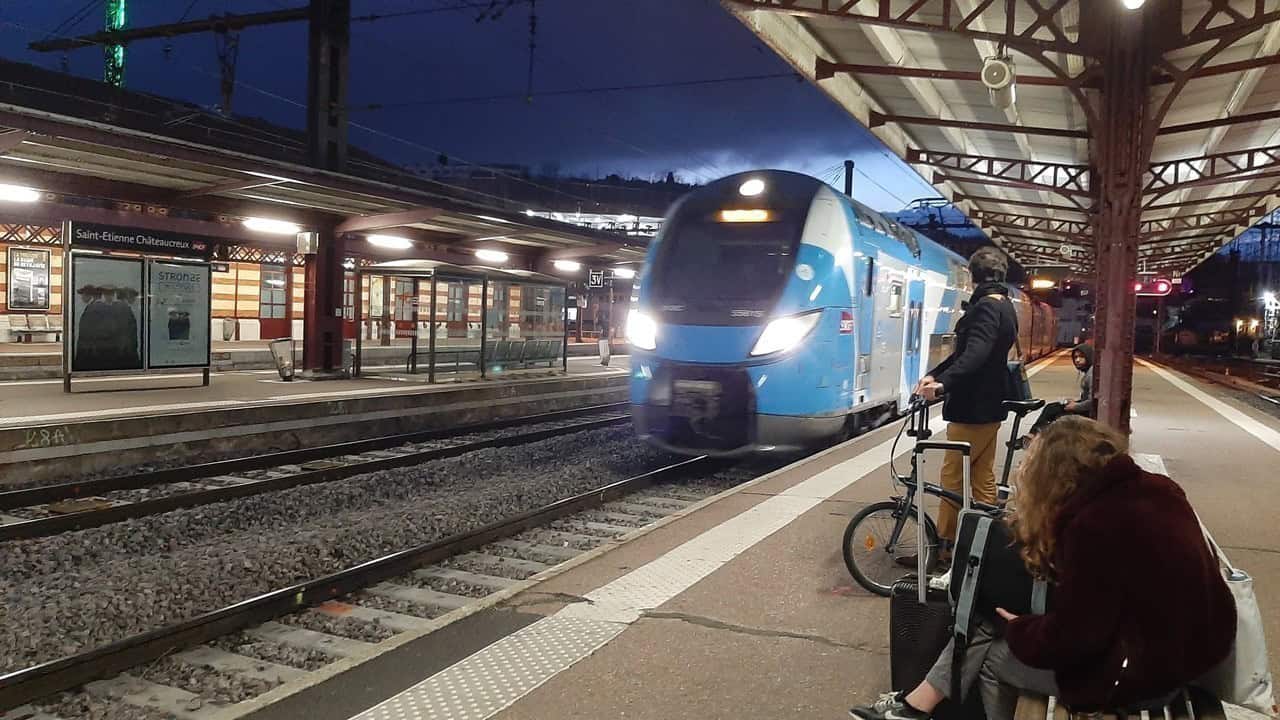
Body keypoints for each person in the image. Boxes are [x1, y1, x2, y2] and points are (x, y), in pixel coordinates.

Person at [850, 416, 1236, 720]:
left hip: (1142, 674)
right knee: (988, 626)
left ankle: (916, 706)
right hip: (1188, 651)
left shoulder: (1094, 526)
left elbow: (1077, 638)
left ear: (1053, 476)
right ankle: (915, 707)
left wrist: (1020, 629)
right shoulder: (1157, 489)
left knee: (991, 655)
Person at [903, 247, 1017, 567]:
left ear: (972, 275)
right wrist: (935, 374)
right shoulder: (1004, 305)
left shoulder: (985, 307)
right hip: (990, 408)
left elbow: (975, 354)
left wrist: (942, 385)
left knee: (952, 477)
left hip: (972, 408)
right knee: (982, 479)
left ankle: (943, 549)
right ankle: (987, 550)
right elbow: (967, 353)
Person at [1027, 343, 1096, 436]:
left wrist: (1075, 406)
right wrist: (1074, 403)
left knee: (1053, 412)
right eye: (1075, 357)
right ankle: (1033, 435)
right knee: (1052, 408)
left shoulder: (1091, 374)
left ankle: (1033, 436)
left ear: (1089, 356)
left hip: (1087, 412)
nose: (1077, 360)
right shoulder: (1090, 371)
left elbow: (1092, 402)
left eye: (1081, 357)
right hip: (1085, 409)